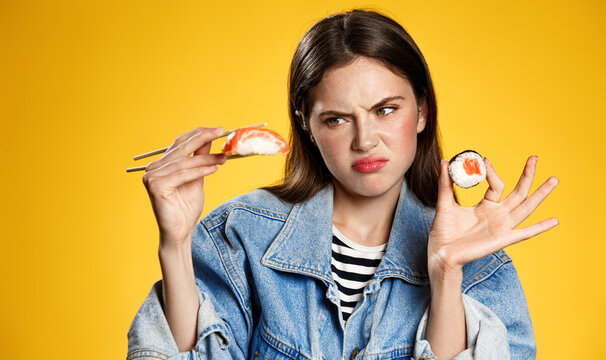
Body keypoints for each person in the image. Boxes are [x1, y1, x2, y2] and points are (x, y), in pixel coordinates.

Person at [127, 9, 558, 360]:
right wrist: (175, 243)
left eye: (385, 110)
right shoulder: (241, 235)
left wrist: (446, 272)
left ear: (422, 111)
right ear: (308, 126)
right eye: (336, 119)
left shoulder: (478, 254)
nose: (365, 140)